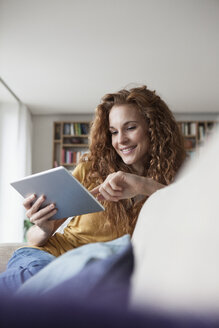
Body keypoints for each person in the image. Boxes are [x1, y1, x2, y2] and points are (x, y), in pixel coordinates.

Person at [0, 85, 186, 293]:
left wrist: (144, 185)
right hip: (48, 258)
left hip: (96, 273)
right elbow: (33, 239)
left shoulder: (178, 181)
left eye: (131, 128)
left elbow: (196, 217)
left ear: (154, 128)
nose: (120, 140)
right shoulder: (91, 170)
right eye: (113, 132)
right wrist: (44, 228)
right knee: (35, 279)